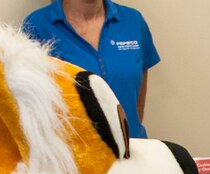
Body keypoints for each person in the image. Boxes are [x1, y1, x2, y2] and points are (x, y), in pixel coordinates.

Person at [23, 0, 158, 138]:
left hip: (132, 149)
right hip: (75, 154)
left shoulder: (133, 21)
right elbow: (32, 105)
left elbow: (138, 95)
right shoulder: (37, 26)